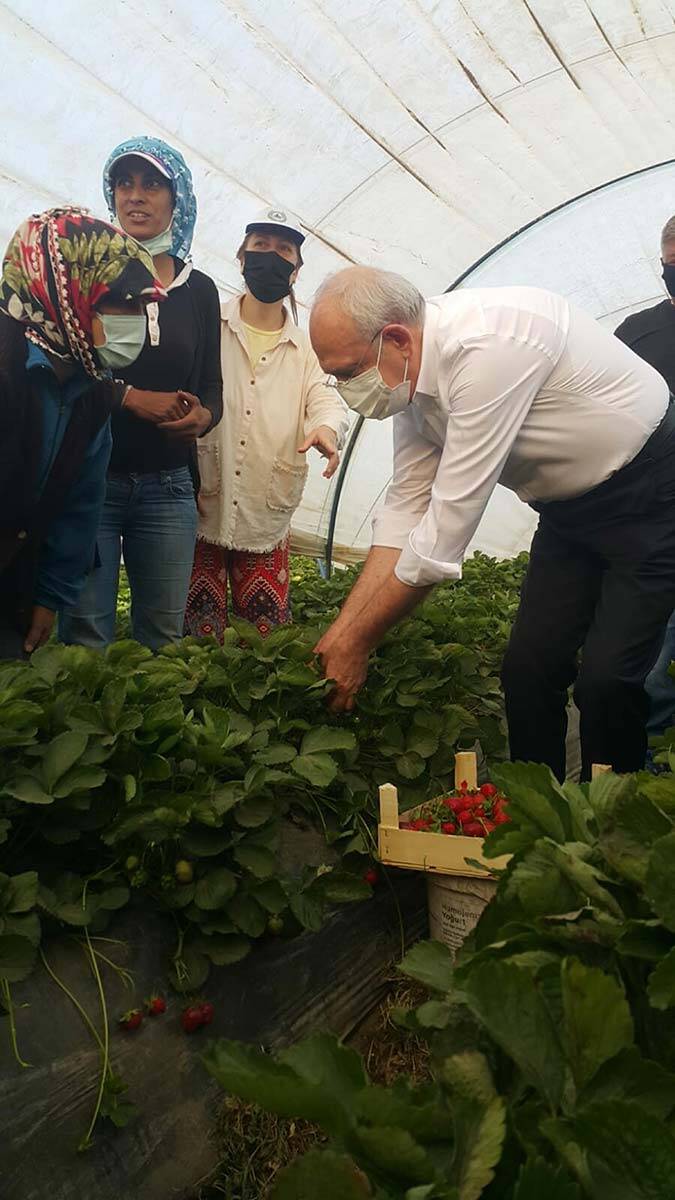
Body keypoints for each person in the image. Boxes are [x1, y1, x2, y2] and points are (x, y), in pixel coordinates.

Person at [309, 266, 675, 782]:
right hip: (567, 512)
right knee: (527, 668)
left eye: (347, 372)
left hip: (652, 490)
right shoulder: (413, 377)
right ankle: (537, 818)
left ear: (396, 339)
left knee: (608, 680)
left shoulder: (490, 350)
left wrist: (358, 643)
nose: (344, 388)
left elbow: (439, 542)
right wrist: (341, 631)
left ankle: (610, 830)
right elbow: (404, 513)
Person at [60, 136, 222, 652]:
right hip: (91, 481)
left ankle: (151, 734)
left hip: (169, 487)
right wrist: (128, 397)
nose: (136, 195)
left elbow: (210, 384)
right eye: (124, 183)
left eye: (153, 183)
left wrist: (204, 416)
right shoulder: (83, 277)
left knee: (164, 638)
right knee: (86, 635)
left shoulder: (198, 290)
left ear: (178, 200)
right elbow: (61, 371)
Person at [0, 206, 166, 659]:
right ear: (69, 289)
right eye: (125, 301)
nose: (135, 318)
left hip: (15, 574)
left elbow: (80, 503)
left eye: (141, 306)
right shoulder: (6, 362)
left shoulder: (90, 389)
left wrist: (49, 596)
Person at [184, 207, 348, 638]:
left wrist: (326, 429)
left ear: (295, 271)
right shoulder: (209, 323)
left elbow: (325, 397)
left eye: (283, 250)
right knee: (197, 641)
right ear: (242, 257)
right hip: (203, 500)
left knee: (268, 639)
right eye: (260, 246)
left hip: (265, 513)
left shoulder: (307, 346)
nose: (270, 257)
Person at [615, 216, 675, 745]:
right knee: (654, 661)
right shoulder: (636, 334)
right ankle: (650, 767)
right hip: (653, 520)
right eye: (671, 262)